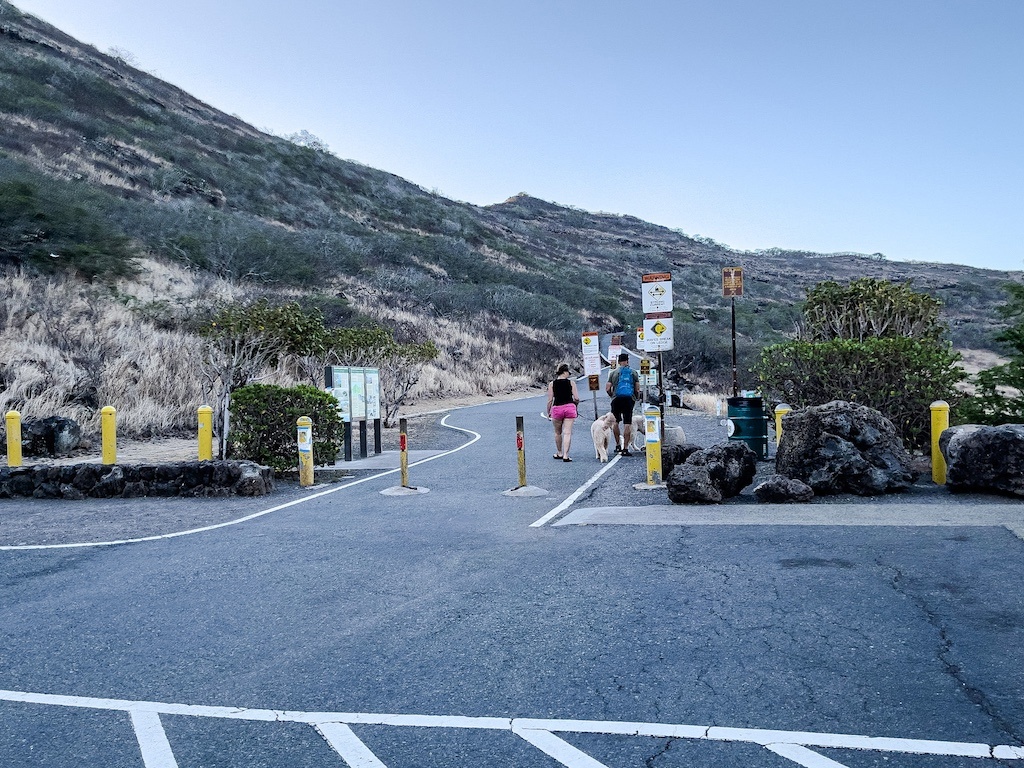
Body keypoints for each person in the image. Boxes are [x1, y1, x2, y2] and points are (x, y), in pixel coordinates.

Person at [605, 352, 640, 456]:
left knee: (615, 422)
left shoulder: (613, 373)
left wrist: (612, 395)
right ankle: (625, 448)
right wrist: (635, 398)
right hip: (629, 399)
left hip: (616, 399)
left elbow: (607, 388)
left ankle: (617, 445)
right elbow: (637, 389)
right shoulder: (633, 373)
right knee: (627, 423)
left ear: (619, 362)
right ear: (627, 361)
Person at [546, 363, 580, 462]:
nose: (569, 374)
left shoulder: (552, 384)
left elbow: (550, 400)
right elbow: (577, 398)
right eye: (568, 372)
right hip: (569, 408)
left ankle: (559, 452)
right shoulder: (571, 383)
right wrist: (575, 406)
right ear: (564, 372)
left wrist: (548, 411)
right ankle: (566, 455)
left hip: (557, 409)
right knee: (567, 433)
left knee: (557, 432)